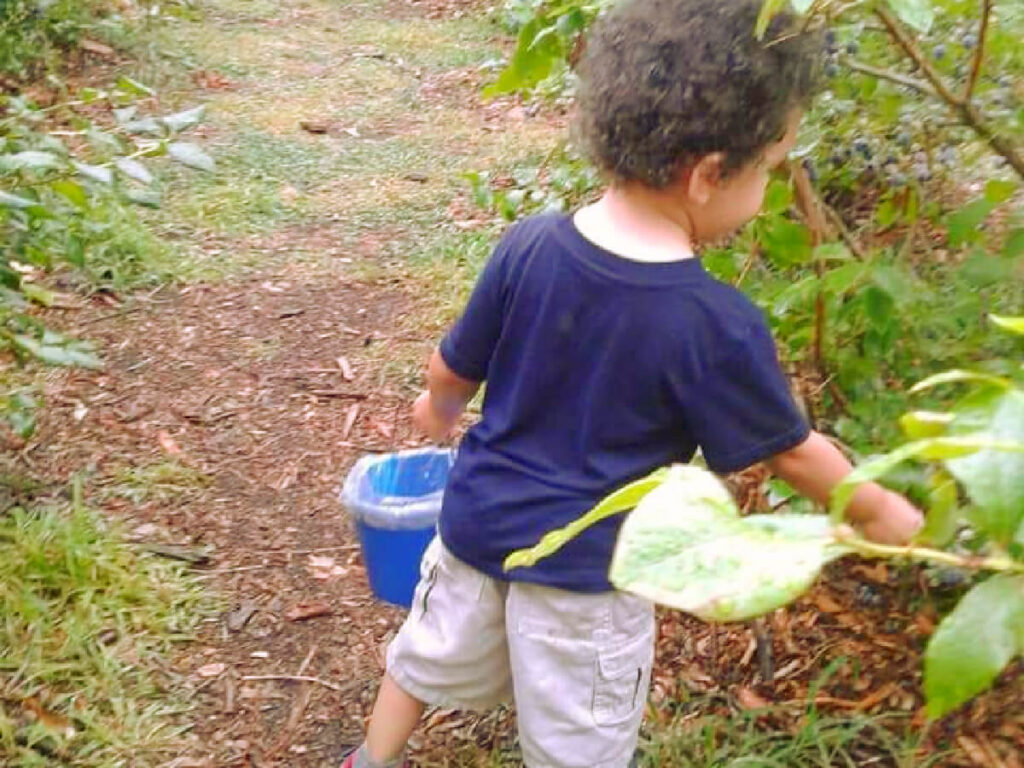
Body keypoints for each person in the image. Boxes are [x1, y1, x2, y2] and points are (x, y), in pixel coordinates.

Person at [341, 0, 923, 765]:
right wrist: (881, 512)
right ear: (711, 175)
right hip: (589, 580)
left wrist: (437, 411)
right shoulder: (715, 322)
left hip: (474, 528)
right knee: (577, 739)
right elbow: (791, 452)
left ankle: (369, 760)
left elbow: (451, 370)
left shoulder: (529, 245)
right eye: (767, 172)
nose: (764, 194)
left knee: (423, 658)